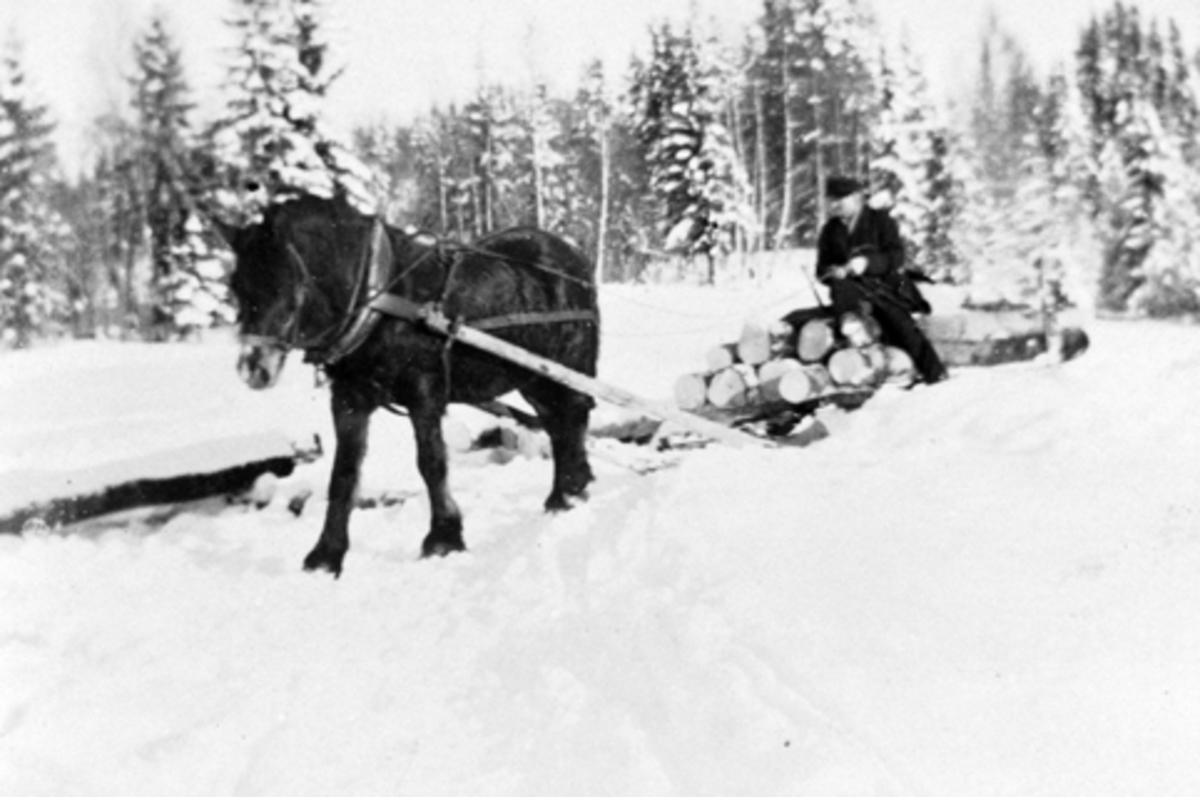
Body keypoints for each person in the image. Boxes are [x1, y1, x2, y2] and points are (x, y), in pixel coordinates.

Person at [815, 176, 948, 384]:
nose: (835, 205)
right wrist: (834, 272)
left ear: (857, 197)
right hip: (848, 295)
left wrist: (866, 263)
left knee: (902, 326)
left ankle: (935, 375)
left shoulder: (880, 221)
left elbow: (896, 257)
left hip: (886, 288)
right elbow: (821, 270)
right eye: (832, 200)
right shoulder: (830, 231)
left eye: (841, 198)